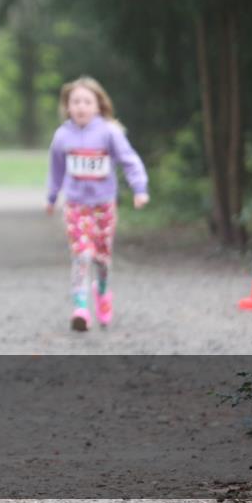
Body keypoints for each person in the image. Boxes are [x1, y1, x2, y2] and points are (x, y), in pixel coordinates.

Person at [46, 75, 149, 332]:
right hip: (75, 205)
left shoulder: (109, 132)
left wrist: (139, 189)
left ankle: (102, 295)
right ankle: (80, 308)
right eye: (75, 101)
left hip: (104, 204)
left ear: (98, 105)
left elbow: (129, 160)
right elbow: (56, 170)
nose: (81, 106)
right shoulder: (62, 136)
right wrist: (51, 196)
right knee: (81, 254)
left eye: (87, 101)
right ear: (67, 106)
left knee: (101, 259)